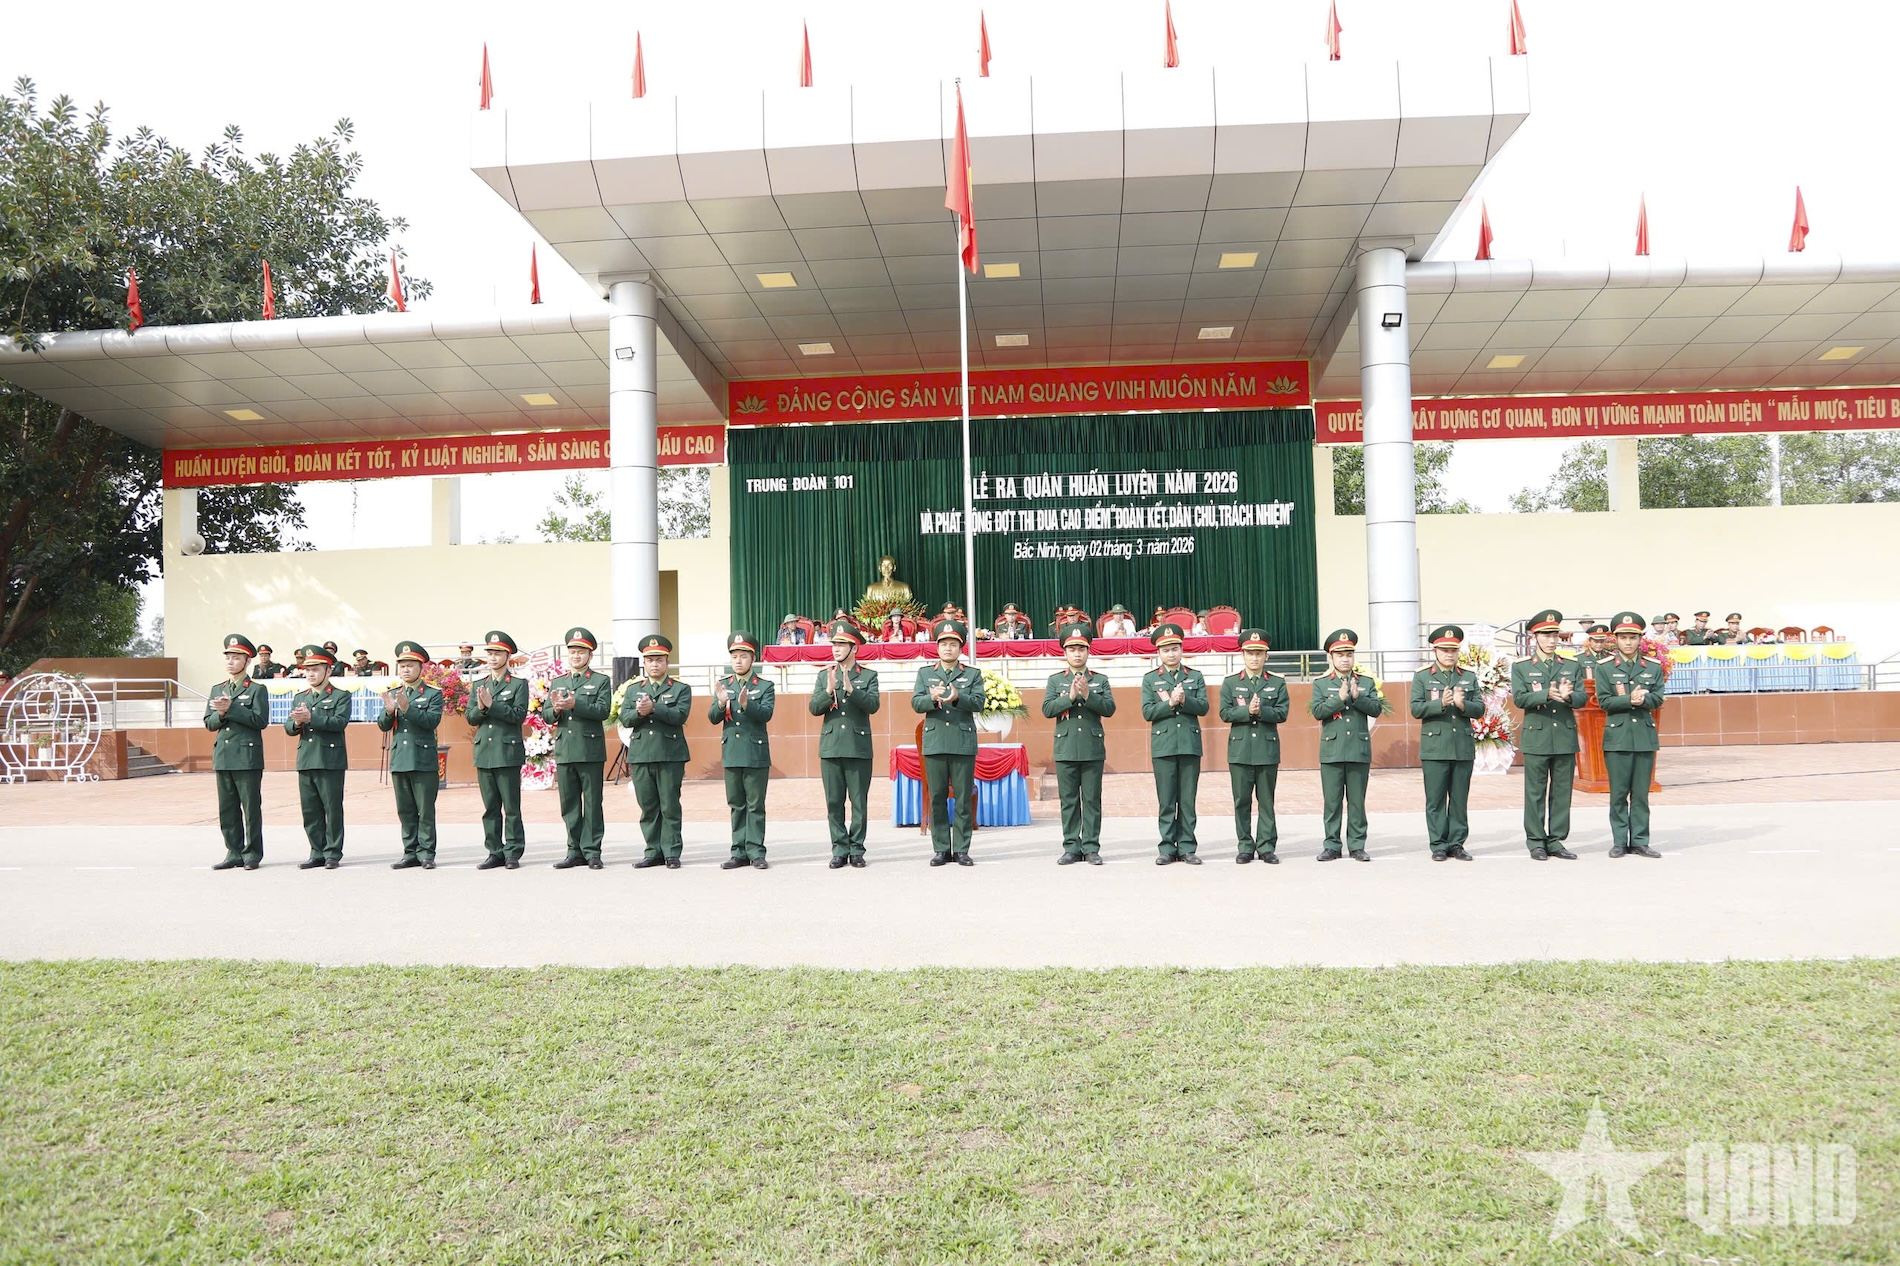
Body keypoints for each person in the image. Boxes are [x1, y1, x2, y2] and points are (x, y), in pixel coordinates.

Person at [1512, 610, 1586, 861]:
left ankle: (1556, 840)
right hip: (1537, 737)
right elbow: (1519, 698)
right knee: (1535, 791)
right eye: (1546, 635)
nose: (1552, 640)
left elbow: (1582, 698)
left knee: (1562, 792)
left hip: (1564, 736)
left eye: (1555, 635)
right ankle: (1536, 841)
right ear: (1535, 637)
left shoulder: (1571, 665)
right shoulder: (1522, 666)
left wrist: (1569, 696)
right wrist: (1545, 694)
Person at [910, 619, 985, 865]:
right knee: (937, 797)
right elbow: (916, 703)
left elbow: (979, 702)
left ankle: (961, 849)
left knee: (963, 798)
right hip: (935, 742)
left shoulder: (972, 674)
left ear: (960, 648)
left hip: (962, 742)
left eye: (953, 644)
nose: (948, 648)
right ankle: (941, 848)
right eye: (944, 644)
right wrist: (931, 699)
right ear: (937, 647)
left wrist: (958, 697)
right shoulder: (926, 674)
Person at [1410, 626, 1486, 862]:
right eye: (1444, 650)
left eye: (1453, 650)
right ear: (1435, 650)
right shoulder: (1423, 676)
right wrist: (1440, 704)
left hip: (1461, 746)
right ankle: (1438, 844)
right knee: (1435, 800)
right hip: (1435, 747)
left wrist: (1464, 706)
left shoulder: (1468, 676)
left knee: (1459, 799)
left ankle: (1457, 843)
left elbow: (1480, 708)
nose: (1449, 654)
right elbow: (1416, 709)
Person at [1042, 622, 1116, 865]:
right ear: (1064, 652)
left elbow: (1109, 708)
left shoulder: (1100, 680)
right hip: (1066, 748)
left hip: (1092, 748)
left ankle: (1091, 847)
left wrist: (1088, 695)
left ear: (1088, 651)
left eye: (1081, 649)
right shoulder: (1056, 680)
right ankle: (1072, 846)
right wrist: (1070, 697)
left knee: (1092, 800)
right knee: (1069, 800)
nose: (1077, 654)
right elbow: (1047, 709)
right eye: (1072, 649)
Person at [1595, 611, 1666, 858]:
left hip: (1644, 737)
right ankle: (1619, 841)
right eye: (1623, 637)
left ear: (1640, 639)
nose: (1628, 642)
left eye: (1633, 638)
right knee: (1618, 793)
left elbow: (1659, 699)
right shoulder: (1605, 667)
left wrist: (1645, 699)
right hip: (1618, 738)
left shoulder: (1652, 667)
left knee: (1641, 794)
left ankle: (1640, 841)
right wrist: (1628, 700)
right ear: (1616, 639)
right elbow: (1604, 702)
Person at [811, 620, 882, 868]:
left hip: (857, 747)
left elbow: (873, 705)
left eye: (842, 645)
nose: (836, 649)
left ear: (854, 648)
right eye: (835, 644)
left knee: (859, 802)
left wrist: (853, 690)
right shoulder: (824, 675)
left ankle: (857, 849)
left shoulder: (869, 676)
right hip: (831, 747)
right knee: (834, 802)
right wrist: (828, 691)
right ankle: (839, 849)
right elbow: (814, 708)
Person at [622, 633, 692, 870]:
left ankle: (671, 852)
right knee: (648, 806)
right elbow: (625, 718)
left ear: (667, 662)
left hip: (669, 754)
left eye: (659, 660)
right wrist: (639, 712)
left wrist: (655, 708)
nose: (654, 664)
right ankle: (653, 851)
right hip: (642, 754)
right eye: (650, 660)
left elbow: (680, 715)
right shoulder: (633, 690)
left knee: (669, 805)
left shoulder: (680, 689)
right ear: (644, 662)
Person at [1141, 622, 1208, 865]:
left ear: (1182, 649)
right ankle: (1167, 847)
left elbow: (1204, 707)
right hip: (1164, 746)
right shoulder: (1151, 679)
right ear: (1159, 652)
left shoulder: (1195, 676)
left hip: (1189, 744)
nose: (1171, 654)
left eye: (1175, 649)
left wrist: (1184, 699)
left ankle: (1187, 847)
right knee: (1167, 800)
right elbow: (1147, 712)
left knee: (1187, 800)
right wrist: (1169, 703)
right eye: (1166, 650)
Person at [1220, 629, 1289, 864]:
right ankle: (1245, 847)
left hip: (1266, 750)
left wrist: (1261, 711)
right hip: (1240, 751)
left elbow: (1282, 713)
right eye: (1250, 653)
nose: (1255, 658)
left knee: (1266, 801)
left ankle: (1266, 847)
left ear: (1266, 656)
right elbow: (1224, 713)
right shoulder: (1231, 682)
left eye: (1259, 653)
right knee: (1242, 801)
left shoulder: (1277, 682)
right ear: (1243, 655)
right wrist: (1247, 712)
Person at [548, 627, 614, 870]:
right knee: (569, 804)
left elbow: (603, 711)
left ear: (590, 655)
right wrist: (556, 709)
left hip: (589, 749)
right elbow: (547, 715)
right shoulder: (558, 682)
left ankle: (592, 851)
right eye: (573, 651)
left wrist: (577, 704)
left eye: (581, 652)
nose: (576, 656)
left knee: (593, 803)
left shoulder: (600, 681)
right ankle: (574, 850)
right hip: (565, 749)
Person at [1311, 629, 1380, 862]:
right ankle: (1332, 845)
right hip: (1332, 750)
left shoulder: (1366, 682)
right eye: (1340, 655)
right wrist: (1339, 699)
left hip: (1358, 750)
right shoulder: (1321, 684)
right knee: (1332, 802)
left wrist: (1358, 697)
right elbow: (1318, 711)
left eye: (1349, 654)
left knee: (1357, 802)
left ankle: (1357, 845)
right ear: (1331, 657)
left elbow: (1376, 709)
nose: (1345, 659)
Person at [710, 631, 776, 870]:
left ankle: (756, 852)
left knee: (755, 805)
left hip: (755, 753)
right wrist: (720, 704)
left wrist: (748, 705)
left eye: (743, 656)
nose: (738, 661)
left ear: (753, 658)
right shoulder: (724, 684)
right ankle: (738, 852)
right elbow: (712, 717)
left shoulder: (765, 686)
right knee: (737, 804)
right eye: (734, 656)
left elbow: (766, 714)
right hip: (732, 752)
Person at [284, 644, 352, 870]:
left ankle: (332, 852)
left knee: (332, 809)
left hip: (330, 759)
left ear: (328, 671)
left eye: (315, 669)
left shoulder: (341, 696)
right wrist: (297, 722)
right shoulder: (300, 697)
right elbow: (289, 727)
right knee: (310, 810)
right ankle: (316, 851)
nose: (310, 674)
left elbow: (339, 722)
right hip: (306, 758)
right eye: (307, 670)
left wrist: (311, 717)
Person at [465, 630, 529, 869]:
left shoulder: (518, 684)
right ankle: (494, 851)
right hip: (484, 752)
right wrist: (482, 708)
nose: (492, 657)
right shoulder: (478, 685)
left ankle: (513, 852)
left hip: (507, 752)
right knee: (490, 807)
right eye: (490, 653)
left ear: (507, 656)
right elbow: (471, 717)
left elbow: (518, 715)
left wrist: (493, 705)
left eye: (498, 653)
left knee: (511, 807)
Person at [204, 633, 268, 870]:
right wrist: (220, 714)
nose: (230, 662)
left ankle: (252, 853)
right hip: (224, 755)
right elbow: (209, 723)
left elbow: (260, 720)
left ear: (248, 661)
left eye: (236, 658)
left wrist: (231, 709)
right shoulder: (217, 689)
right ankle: (233, 852)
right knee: (227, 808)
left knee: (250, 808)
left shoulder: (257, 689)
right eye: (228, 657)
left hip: (247, 757)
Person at [380, 640, 444, 870]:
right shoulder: (393, 693)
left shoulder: (432, 694)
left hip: (422, 759)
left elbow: (432, 721)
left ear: (420, 667)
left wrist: (409, 708)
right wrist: (389, 712)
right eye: (402, 666)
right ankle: (410, 852)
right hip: (400, 758)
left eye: (410, 665)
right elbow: (383, 725)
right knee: (405, 809)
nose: (405, 670)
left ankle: (426, 853)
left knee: (425, 809)